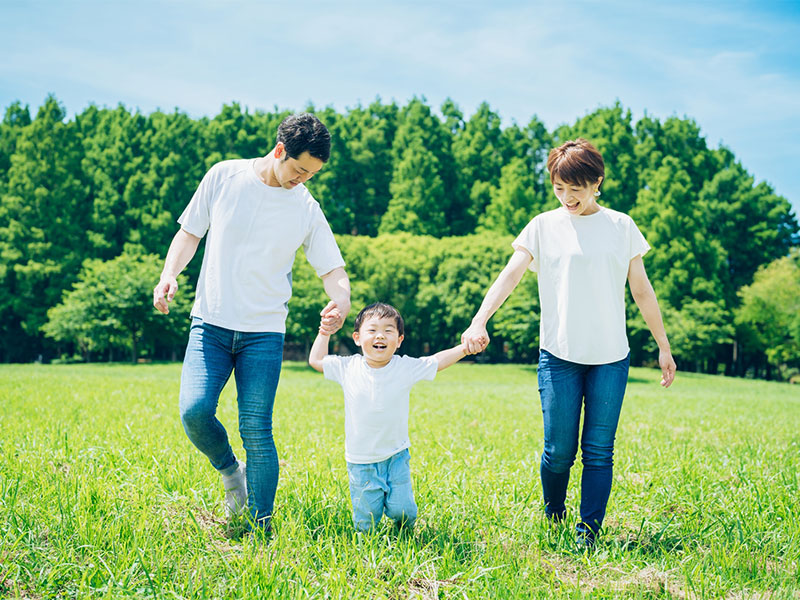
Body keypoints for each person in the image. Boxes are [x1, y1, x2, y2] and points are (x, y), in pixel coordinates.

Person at [461, 138, 676, 548]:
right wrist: (479, 320)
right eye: (558, 187)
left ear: (596, 182)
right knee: (559, 450)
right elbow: (510, 274)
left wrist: (663, 346)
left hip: (611, 357)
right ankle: (555, 514)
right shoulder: (543, 225)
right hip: (558, 355)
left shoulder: (621, 226)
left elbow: (642, 291)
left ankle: (588, 533)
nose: (566, 197)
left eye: (574, 187)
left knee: (598, 450)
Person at [153, 113, 351, 534]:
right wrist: (169, 274)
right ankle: (230, 471)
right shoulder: (224, 177)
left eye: (312, 174)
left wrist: (341, 300)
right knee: (194, 410)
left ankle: (261, 527)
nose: (303, 180)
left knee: (257, 428)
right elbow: (190, 233)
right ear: (280, 150)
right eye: (299, 169)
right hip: (211, 322)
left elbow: (332, 268)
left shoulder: (305, 207)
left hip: (264, 332)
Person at [308, 302, 470, 532]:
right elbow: (316, 361)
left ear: (399, 340)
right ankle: (367, 555)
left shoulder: (404, 367)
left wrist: (464, 349)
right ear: (357, 338)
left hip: (396, 455)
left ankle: (406, 532)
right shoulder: (348, 367)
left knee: (402, 510)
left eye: (388, 330)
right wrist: (324, 331)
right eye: (372, 330)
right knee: (366, 519)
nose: (380, 336)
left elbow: (436, 361)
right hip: (361, 460)